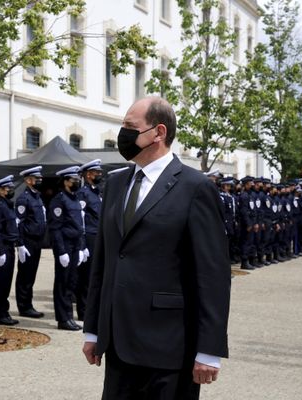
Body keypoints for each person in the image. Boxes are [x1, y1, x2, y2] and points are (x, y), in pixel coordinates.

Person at [82, 97, 230, 400]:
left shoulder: (195, 187)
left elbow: (212, 275)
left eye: (129, 127)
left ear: (158, 132)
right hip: (119, 344)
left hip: (170, 346)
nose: (122, 135)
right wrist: (93, 329)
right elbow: (104, 260)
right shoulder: (116, 183)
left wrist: (209, 349)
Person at [48, 166, 86, 331]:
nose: (77, 182)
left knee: (71, 282)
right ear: (65, 181)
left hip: (74, 245)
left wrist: (80, 247)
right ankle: (63, 319)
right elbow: (55, 228)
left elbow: (79, 226)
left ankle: (69, 316)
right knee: (62, 283)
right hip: (64, 244)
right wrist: (61, 251)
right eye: (73, 180)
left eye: (78, 180)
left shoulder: (75, 198)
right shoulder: (59, 200)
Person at [14, 166, 46, 319]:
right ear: (28, 180)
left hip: (37, 241)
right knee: (25, 275)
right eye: (36, 178)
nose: (39, 180)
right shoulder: (23, 198)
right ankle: (24, 306)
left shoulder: (37, 196)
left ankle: (28, 304)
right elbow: (18, 223)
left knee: (31, 274)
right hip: (27, 241)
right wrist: (20, 244)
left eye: (40, 178)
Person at [0, 175, 20, 326]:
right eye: (8, 188)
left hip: (9, 248)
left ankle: (4, 312)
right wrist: (0, 252)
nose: (11, 190)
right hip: (1, 248)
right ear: (1, 190)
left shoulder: (8, 205)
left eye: (11, 188)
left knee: (6, 282)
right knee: (0, 282)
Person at [76, 159, 103, 321]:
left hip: (98, 237)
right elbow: (80, 220)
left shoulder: (96, 192)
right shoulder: (83, 193)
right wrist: (82, 244)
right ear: (88, 175)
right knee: (86, 277)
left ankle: (92, 309)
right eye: (96, 173)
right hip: (89, 238)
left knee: (95, 276)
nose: (99, 175)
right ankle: (83, 311)